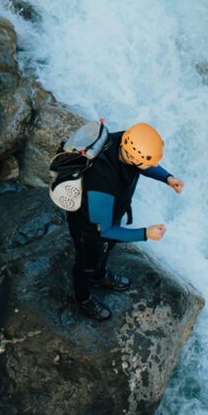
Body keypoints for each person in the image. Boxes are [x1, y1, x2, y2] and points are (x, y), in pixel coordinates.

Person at [66, 121, 184, 320]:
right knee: (86, 262)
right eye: (148, 163)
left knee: (107, 248)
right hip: (88, 225)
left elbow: (143, 164)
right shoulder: (101, 179)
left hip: (110, 212)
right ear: (131, 156)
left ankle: (99, 276)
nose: (152, 166)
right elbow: (105, 231)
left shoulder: (124, 140)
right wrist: (145, 233)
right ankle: (82, 297)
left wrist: (167, 178)